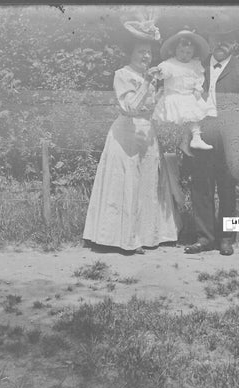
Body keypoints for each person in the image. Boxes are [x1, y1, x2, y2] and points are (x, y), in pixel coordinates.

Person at [83, 19, 179, 254]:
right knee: (127, 182)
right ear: (131, 54)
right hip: (126, 133)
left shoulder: (152, 76)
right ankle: (123, 239)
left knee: (148, 183)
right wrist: (146, 83)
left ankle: (147, 235)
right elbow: (128, 107)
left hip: (147, 133)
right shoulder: (122, 75)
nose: (145, 56)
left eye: (148, 52)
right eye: (140, 52)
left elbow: (155, 108)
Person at [184, 12, 239, 256]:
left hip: (233, 135)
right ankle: (204, 237)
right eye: (216, 38)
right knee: (201, 186)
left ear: (234, 44)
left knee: (227, 187)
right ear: (209, 40)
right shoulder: (197, 67)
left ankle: (226, 238)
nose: (220, 44)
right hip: (202, 132)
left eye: (226, 40)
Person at [151, 29, 216, 155]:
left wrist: (198, 88)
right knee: (174, 121)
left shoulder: (195, 64)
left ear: (193, 53)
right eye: (181, 51)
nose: (184, 55)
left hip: (188, 96)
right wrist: (160, 72)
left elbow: (199, 78)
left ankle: (196, 138)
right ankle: (177, 143)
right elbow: (164, 72)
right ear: (174, 50)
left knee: (194, 117)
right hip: (173, 97)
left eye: (188, 52)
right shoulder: (170, 64)